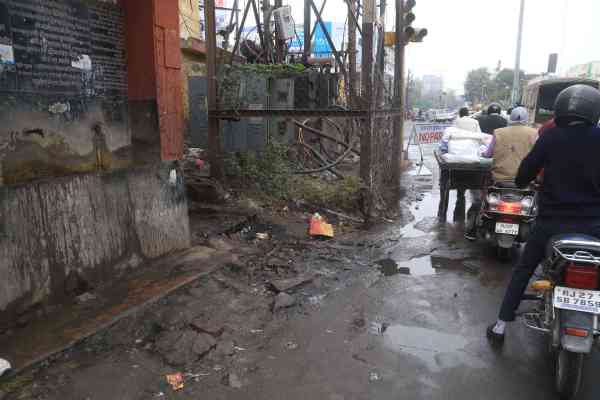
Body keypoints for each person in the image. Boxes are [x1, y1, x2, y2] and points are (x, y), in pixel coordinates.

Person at [486, 84, 600, 346]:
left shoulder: (551, 136)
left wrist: (528, 180)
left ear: (561, 108)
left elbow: (524, 174)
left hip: (551, 223)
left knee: (524, 269)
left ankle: (501, 326)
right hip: (594, 225)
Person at [483, 107, 538, 182]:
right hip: (525, 178)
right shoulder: (534, 133)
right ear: (526, 119)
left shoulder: (498, 132)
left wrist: (482, 153)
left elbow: (488, 154)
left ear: (511, 118)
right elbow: (537, 156)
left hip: (499, 177)